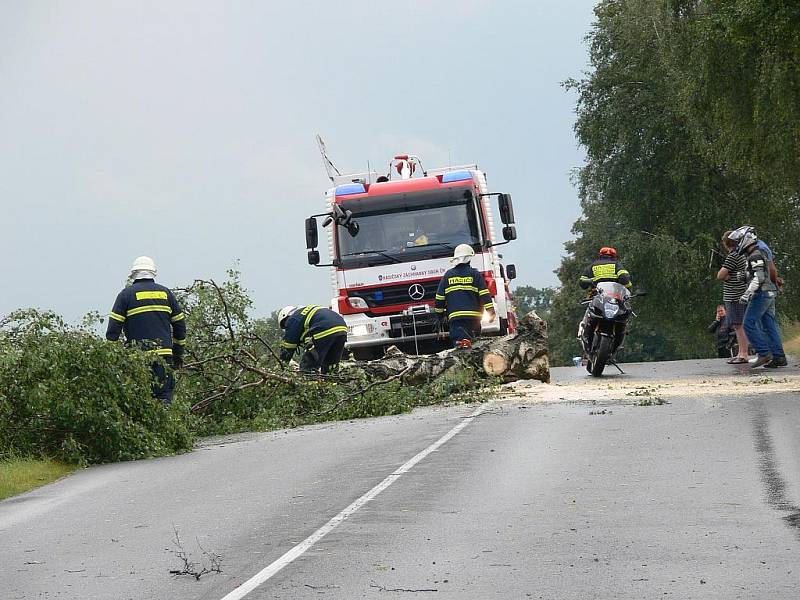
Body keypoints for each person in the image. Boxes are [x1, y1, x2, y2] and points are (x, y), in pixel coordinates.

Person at [106, 256, 186, 405]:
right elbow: (180, 326)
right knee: (163, 398)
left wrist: (112, 359)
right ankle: (164, 425)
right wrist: (178, 354)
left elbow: (113, 332)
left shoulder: (125, 296)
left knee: (140, 400)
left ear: (133, 274)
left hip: (138, 359)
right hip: (164, 358)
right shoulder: (166, 294)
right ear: (153, 272)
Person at [730, 226, 787, 368]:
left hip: (761, 293)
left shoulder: (754, 254)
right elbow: (762, 273)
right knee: (769, 325)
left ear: (746, 239)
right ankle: (779, 357)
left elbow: (759, 278)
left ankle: (764, 353)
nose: (736, 245)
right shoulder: (759, 251)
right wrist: (744, 276)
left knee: (748, 324)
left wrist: (746, 294)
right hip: (769, 292)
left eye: (738, 241)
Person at [435, 244, 496, 347]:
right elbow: (484, 294)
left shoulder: (448, 276)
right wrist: (491, 312)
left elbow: (439, 298)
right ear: (469, 259)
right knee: (475, 344)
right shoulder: (475, 274)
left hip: (455, 319)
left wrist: (439, 316)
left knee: (459, 346)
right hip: (474, 318)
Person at [278, 305, 348, 373]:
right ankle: (332, 382)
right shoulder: (304, 314)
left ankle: (307, 381)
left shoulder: (293, 319)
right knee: (330, 366)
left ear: (285, 318)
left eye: (285, 326)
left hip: (324, 329)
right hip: (342, 329)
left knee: (308, 365)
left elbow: (288, 347)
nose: (287, 328)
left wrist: (282, 366)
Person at [716, 231, 750, 364]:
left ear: (726, 243)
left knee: (738, 325)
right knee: (739, 325)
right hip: (740, 292)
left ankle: (743, 354)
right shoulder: (742, 254)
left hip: (734, 295)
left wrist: (725, 274)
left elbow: (720, 275)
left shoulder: (733, 256)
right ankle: (742, 352)